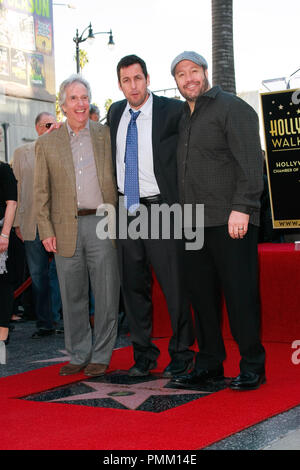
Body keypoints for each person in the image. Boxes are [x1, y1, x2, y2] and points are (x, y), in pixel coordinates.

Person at [170, 51, 266, 391]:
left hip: (231, 220)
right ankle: (209, 362)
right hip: (193, 223)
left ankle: (253, 364)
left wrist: (242, 207)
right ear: (177, 82)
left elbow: (252, 163)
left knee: (240, 295)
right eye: (181, 74)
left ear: (205, 72)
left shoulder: (232, 107)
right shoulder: (183, 116)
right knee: (202, 299)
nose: (188, 78)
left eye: (193, 71)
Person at [107, 54, 194, 378]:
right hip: (126, 209)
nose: (133, 85)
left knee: (174, 286)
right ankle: (143, 355)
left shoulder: (171, 111)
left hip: (162, 209)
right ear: (120, 84)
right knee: (132, 286)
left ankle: (182, 353)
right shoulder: (115, 112)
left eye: (138, 78)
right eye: (126, 80)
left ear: (147, 79)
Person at [34, 75, 120, 377]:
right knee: (72, 295)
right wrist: (45, 231)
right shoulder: (46, 143)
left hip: (102, 223)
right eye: (73, 98)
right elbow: (41, 192)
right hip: (64, 227)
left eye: (84, 97)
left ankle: (102, 355)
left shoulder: (105, 134)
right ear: (63, 104)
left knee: (107, 293)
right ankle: (79, 353)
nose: (80, 104)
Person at [12, 112, 63, 338]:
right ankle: (45, 323)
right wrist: (16, 224)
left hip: (61, 224)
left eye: (55, 124)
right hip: (31, 223)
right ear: (37, 128)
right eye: (47, 125)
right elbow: (15, 191)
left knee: (63, 273)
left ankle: (63, 319)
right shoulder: (22, 153)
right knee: (39, 275)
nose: (52, 128)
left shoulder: (64, 150)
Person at [0, 162, 17, 364]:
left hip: (0, 234)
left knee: (2, 287)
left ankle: (1, 341)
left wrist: (4, 235)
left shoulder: (3, 169)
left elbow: (11, 203)